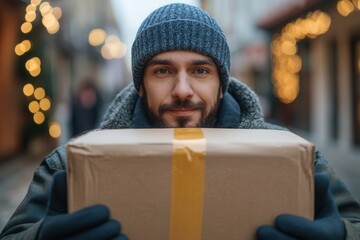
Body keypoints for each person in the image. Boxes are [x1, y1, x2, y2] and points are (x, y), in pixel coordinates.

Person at [1, 3, 360, 240]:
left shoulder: (295, 159)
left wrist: (342, 235)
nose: (183, 90)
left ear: (221, 85)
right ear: (141, 85)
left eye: (201, 70)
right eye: (163, 71)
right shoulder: (73, 163)